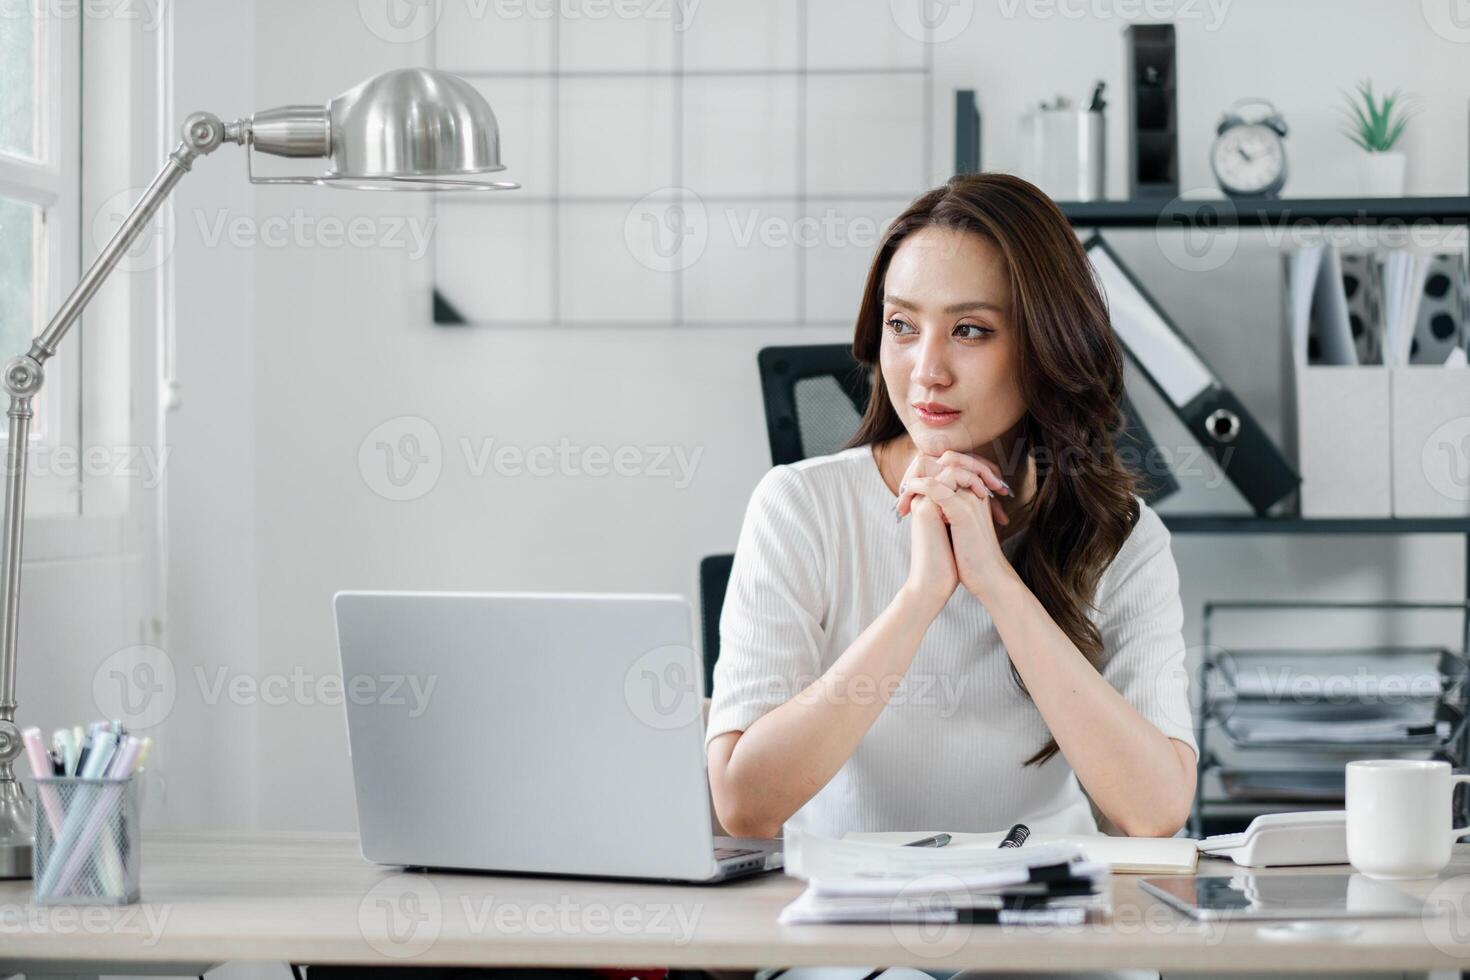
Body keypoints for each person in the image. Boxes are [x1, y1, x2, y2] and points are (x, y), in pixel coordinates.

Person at [705, 173, 1196, 980]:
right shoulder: (800, 506)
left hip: (1047, 936)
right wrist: (919, 597)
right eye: (903, 326)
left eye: (970, 330)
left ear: (1046, 344)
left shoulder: (1125, 538)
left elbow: (1149, 813)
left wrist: (997, 584)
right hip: (849, 938)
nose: (925, 370)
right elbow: (745, 803)